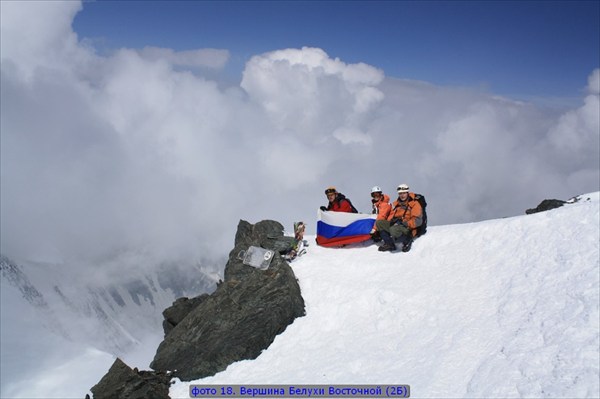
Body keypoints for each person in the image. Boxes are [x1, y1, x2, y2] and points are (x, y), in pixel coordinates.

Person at [375, 183, 423, 252]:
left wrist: (405, 223)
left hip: (408, 228)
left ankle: (407, 241)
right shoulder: (396, 204)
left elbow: (418, 221)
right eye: (400, 193)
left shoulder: (414, 204)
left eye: (404, 193)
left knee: (393, 229)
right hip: (397, 225)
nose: (402, 195)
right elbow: (391, 216)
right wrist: (392, 221)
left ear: (407, 193)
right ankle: (389, 244)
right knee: (379, 223)